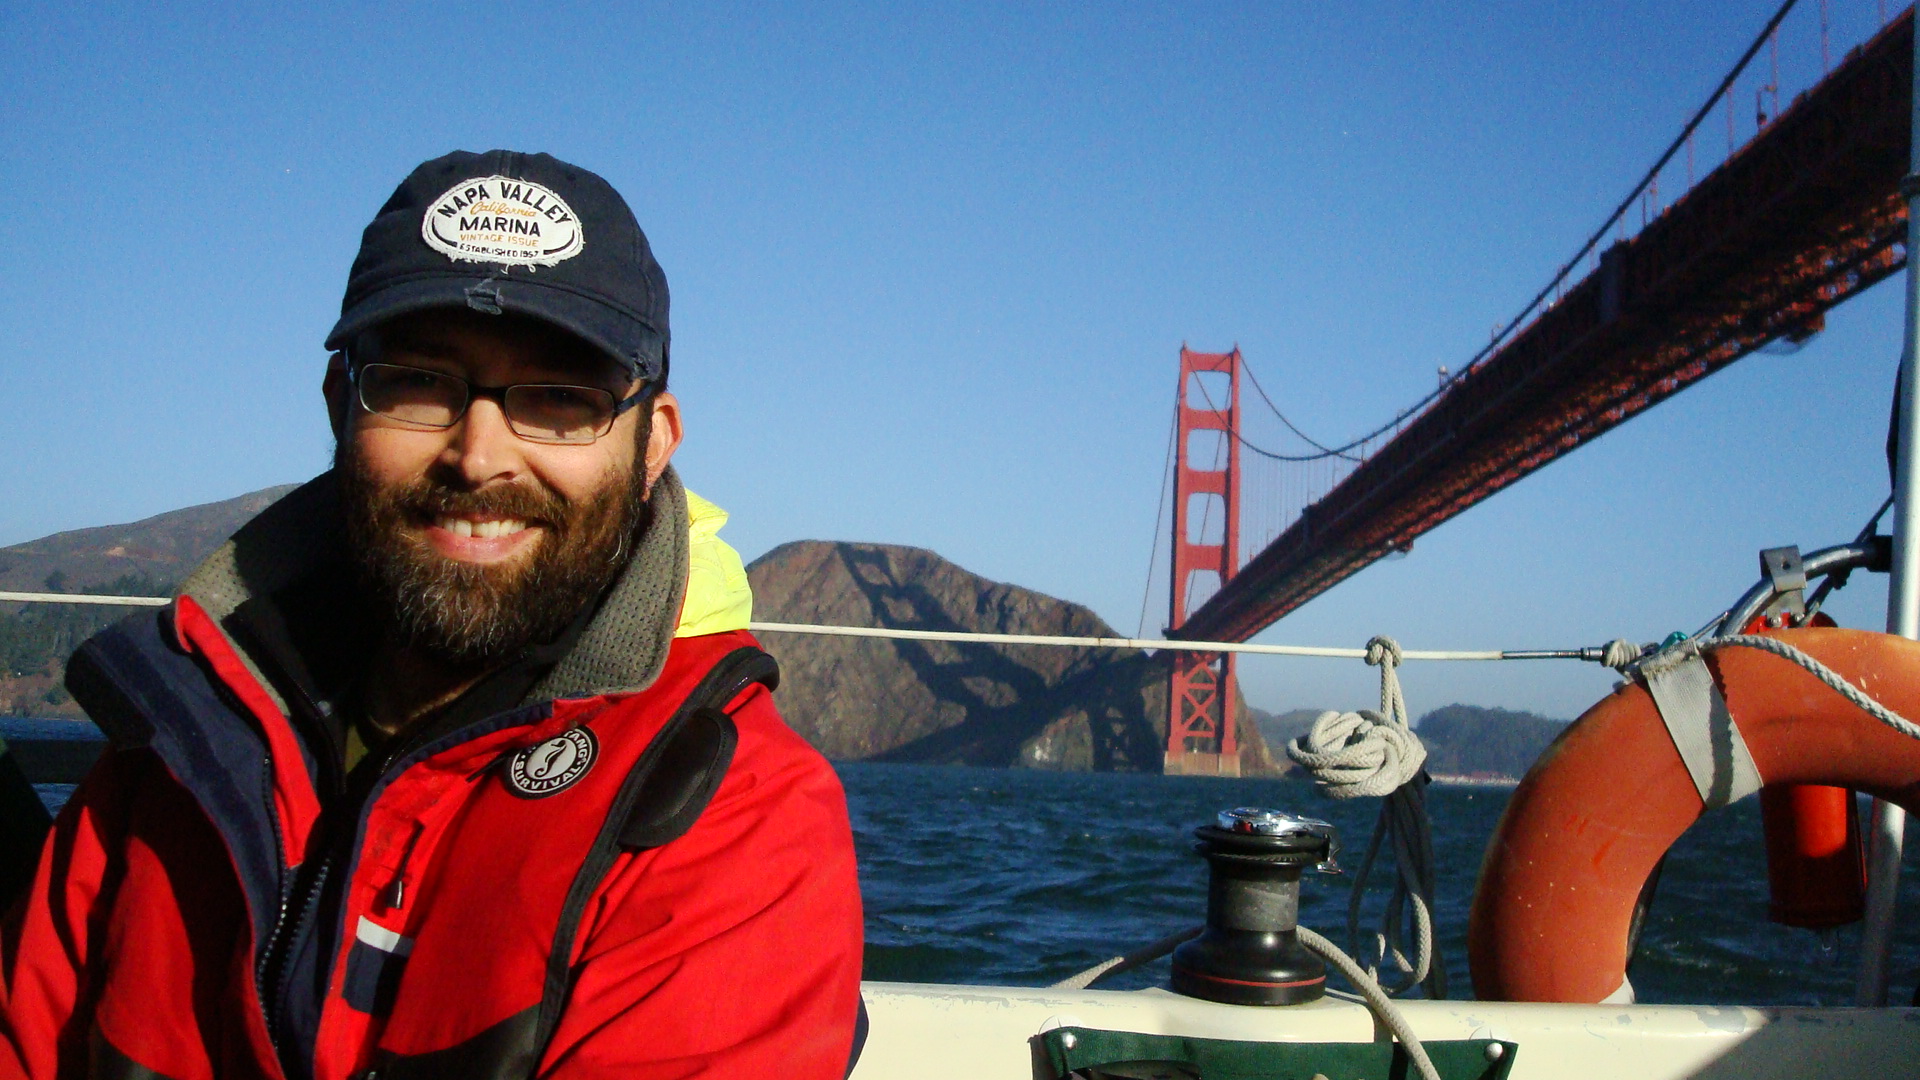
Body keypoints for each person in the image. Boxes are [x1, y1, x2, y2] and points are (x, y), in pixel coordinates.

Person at [0, 150, 866, 1079]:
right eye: (418, 383)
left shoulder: (731, 809)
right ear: (341, 406)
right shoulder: (181, 734)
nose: (478, 455)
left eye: (561, 400)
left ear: (651, 445)